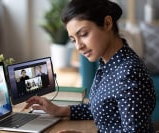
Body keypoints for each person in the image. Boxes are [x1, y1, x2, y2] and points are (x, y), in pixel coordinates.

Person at [24, 0, 156, 132]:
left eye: (83, 34)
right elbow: (104, 109)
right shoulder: (109, 63)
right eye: (73, 40)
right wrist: (58, 110)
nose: (78, 46)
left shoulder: (127, 73)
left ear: (107, 23)